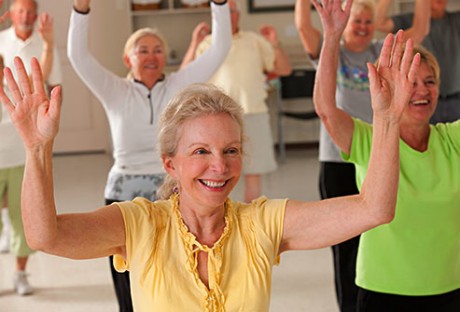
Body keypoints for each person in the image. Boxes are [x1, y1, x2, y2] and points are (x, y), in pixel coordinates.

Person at [0, 28, 419, 308]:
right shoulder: (139, 223)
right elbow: (44, 235)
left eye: (231, 150)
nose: (219, 166)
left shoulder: (262, 224)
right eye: (200, 151)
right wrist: (37, 148)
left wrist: (386, 120)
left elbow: (374, 209)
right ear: (171, 163)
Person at [67, 0, 231, 310]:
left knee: (173, 271)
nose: (151, 55)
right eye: (142, 49)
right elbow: (78, 56)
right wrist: (81, 9)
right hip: (122, 190)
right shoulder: (114, 90)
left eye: (157, 49)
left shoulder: (179, 86)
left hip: (170, 190)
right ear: (127, 58)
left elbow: (220, 48)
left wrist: (220, 4)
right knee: (127, 273)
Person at [313, 1, 460, 310]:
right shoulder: (370, 140)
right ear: (391, 89)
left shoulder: (452, 139)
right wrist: (332, 36)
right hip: (383, 290)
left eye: (429, 82)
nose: (420, 90)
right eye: (410, 82)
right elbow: (326, 110)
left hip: (449, 287)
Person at [294, 0, 429, 310]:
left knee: (380, 235)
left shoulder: (379, 52)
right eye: (357, 21)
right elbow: (304, 27)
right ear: (346, 22)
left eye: (368, 22)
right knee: (346, 242)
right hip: (338, 158)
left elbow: (419, 30)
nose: (363, 27)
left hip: (375, 155)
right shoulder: (334, 52)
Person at [181, 0, 292, 203]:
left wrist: (275, 42)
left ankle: (250, 226)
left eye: (232, 11)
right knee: (217, 173)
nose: (229, 15)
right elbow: (184, 76)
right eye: (224, 11)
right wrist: (194, 43)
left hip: (253, 112)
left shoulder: (254, 40)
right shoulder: (207, 44)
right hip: (217, 118)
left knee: (253, 173)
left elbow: (284, 69)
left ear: (238, 15)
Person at [0, 0, 57, 295]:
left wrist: (48, 44)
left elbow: (44, 79)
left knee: (23, 221)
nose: (25, 17)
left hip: (21, 155)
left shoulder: (18, 102)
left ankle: (20, 273)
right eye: (19, 11)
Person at [375, 0, 460, 124]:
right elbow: (378, 22)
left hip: (457, 99)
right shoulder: (410, 22)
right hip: (421, 100)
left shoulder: (456, 19)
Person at [0, 0, 61, 92]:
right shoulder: (1, 39)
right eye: (21, 11)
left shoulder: (46, 42)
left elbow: (54, 84)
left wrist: (48, 45)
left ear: (36, 16)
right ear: (11, 15)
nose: (25, 17)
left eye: (30, 12)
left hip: (36, 101)